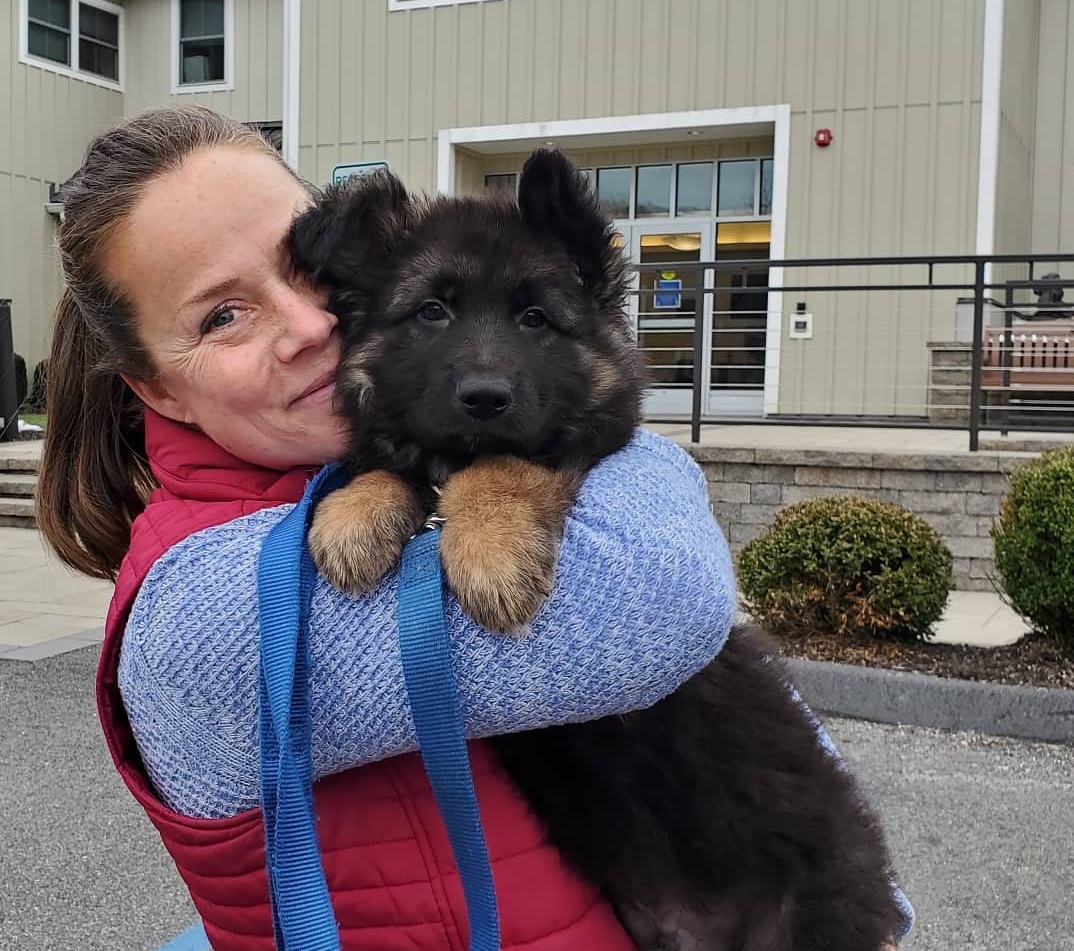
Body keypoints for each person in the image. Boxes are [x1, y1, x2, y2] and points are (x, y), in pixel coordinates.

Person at [37, 107, 909, 950]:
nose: (308, 327)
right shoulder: (194, 620)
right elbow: (664, 595)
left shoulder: (367, 456)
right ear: (155, 388)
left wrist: (875, 909)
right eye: (221, 315)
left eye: (308, 275)